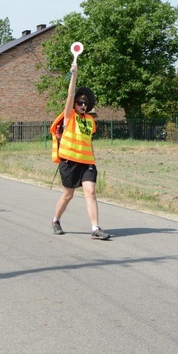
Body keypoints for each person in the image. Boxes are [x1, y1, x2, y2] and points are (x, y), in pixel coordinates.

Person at [49, 63, 110, 240]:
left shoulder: (90, 120)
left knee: (90, 193)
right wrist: (74, 75)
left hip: (87, 163)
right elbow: (69, 94)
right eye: (80, 102)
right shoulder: (69, 116)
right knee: (68, 195)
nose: (83, 105)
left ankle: (95, 228)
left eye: (86, 103)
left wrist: (93, 161)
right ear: (75, 104)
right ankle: (56, 220)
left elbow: (89, 142)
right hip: (69, 162)